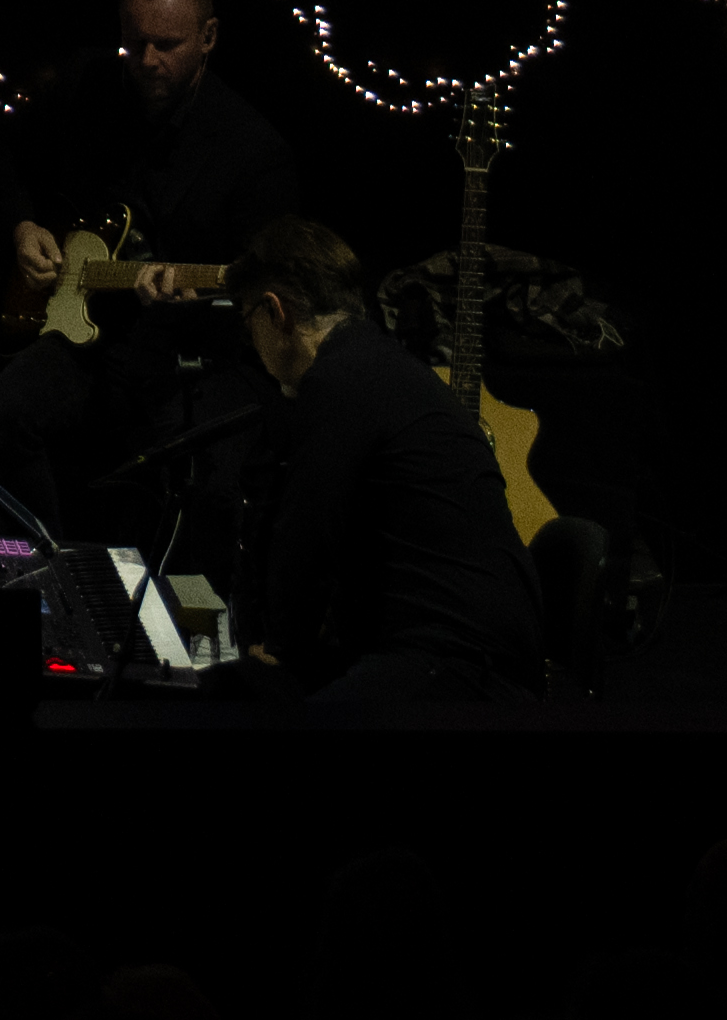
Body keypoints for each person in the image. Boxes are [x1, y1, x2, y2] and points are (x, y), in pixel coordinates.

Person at [0, 0, 302, 518]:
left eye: (167, 45)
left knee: (203, 481)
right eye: (135, 42)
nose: (147, 60)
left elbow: (264, 286)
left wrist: (195, 300)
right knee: (1, 414)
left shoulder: (253, 152)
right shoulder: (89, 84)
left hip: (191, 352)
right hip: (89, 334)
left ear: (209, 37)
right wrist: (23, 227)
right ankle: (50, 563)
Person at [219, 226, 543, 706]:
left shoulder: (339, 381)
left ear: (275, 310)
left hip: (459, 659)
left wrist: (282, 649)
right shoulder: (376, 364)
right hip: (454, 644)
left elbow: (305, 535)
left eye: (248, 321)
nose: (251, 340)